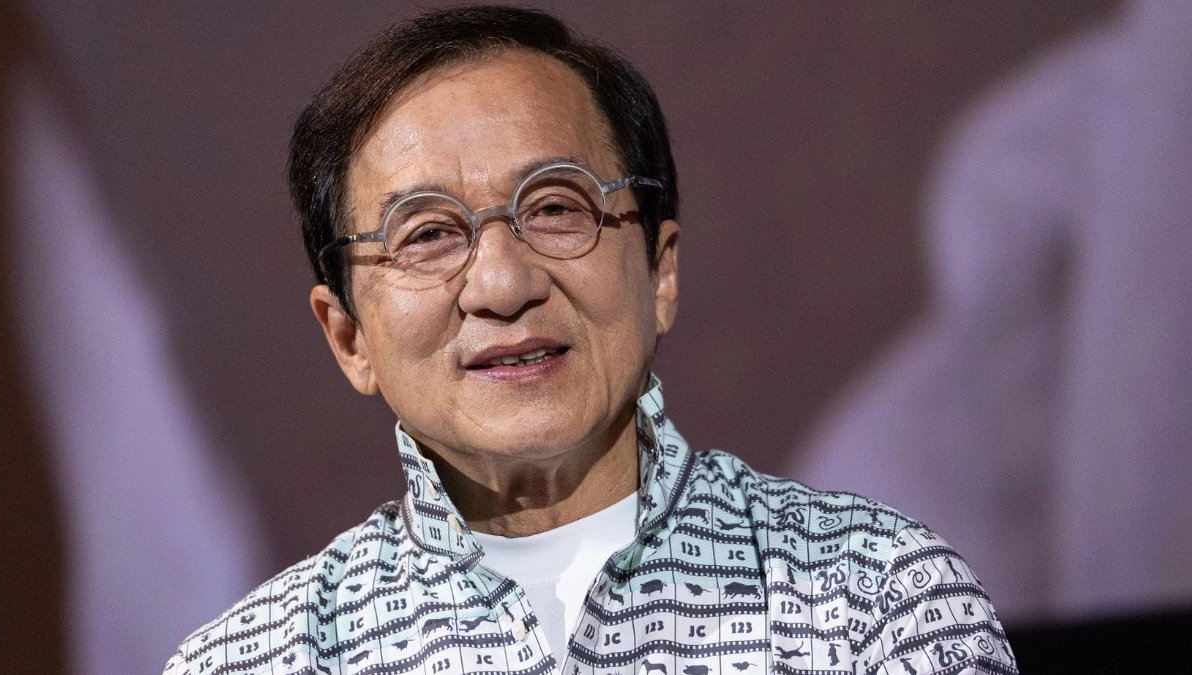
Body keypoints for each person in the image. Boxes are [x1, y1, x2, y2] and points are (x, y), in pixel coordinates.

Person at [165, 6, 1017, 674]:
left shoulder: (876, 601)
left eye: (556, 208)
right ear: (348, 335)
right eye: (426, 233)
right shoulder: (255, 661)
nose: (503, 283)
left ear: (660, 270)